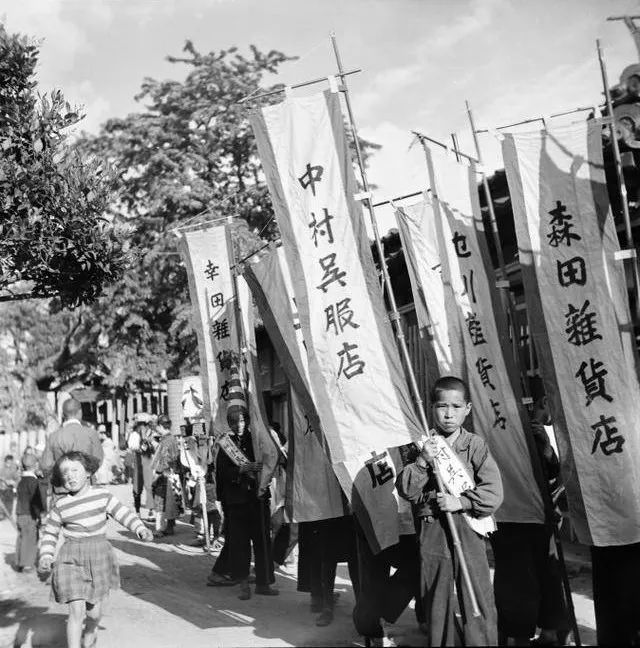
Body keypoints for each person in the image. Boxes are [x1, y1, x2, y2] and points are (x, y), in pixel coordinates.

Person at [398, 375, 503, 647]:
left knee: (476, 593)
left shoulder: (476, 445)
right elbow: (407, 489)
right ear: (431, 408)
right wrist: (422, 461)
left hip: (468, 526)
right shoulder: (421, 445)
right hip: (433, 528)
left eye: (456, 407)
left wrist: (463, 502)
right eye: (442, 406)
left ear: (467, 408)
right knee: (436, 598)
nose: (448, 414)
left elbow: (493, 492)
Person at [37, 451, 153, 648]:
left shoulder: (102, 495)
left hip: (98, 555)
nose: (70, 476)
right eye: (65, 472)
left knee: (93, 614)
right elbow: (50, 533)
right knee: (76, 611)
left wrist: (140, 528)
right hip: (70, 558)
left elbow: (122, 513)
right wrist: (46, 555)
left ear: (88, 472)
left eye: (75, 470)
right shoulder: (60, 505)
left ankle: (91, 633)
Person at [490, 379, 571, 646]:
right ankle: (519, 635)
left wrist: (546, 446)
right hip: (511, 513)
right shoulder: (503, 425)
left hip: (541, 515)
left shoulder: (556, 431)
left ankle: (549, 633)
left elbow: (558, 475)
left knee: (546, 575)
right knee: (518, 579)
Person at [216, 404, 277, 600]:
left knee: (262, 542)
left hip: (257, 498)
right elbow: (221, 473)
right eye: (234, 422)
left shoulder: (257, 440)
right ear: (230, 424)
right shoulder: (226, 445)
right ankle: (243, 583)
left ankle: (263, 582)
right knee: (240, 544)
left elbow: (270, 459)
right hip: (237, 501)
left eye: (242, 420)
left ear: (248, 421)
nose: (239, 425)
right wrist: (240, 470)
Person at [40, 399, 104, 479]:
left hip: (62, 483)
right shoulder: (91, 433)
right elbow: (98, 461)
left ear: (63, 414)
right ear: (80, 412)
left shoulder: (54, 436)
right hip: (86, 484)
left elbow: (46, 465)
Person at [150, 415, 183, 537]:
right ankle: (170, 526)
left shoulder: (165, 441)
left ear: (160, 426)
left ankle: (160, 528)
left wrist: (157, 473)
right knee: (171, 501)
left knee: (161, 502)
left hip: (165, 474)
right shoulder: (173, 439)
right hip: (173, 474)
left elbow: (164, 460)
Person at [14, 453, 47, 572]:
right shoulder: (33, 482)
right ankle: (27, 564)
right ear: (35, 465)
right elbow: (36, 501)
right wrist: (40, 515)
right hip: (30, 514)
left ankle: (18, 561)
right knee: (30, 538)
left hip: (20, 512)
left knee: (21, 537)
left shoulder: (21, 480)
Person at [0, 454, 20, 519]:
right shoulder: (1, 470)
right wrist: (3, 479)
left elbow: (17, 479)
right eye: (8, 462)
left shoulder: (13, 470)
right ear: (5, 462)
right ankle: (2, 514)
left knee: (9, 502)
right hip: (2, 488)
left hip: (10, 489)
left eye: (11, 463)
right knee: (2, 502)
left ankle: (8, 514)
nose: (9, 464)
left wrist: (14, 482)